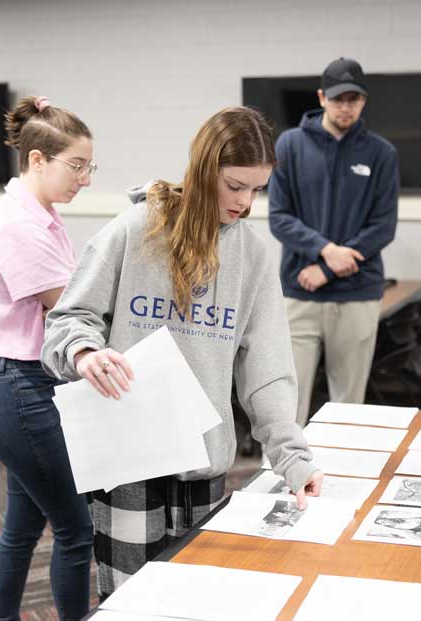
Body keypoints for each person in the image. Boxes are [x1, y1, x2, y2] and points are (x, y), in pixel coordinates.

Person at [41, 107, 323, 598]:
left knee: (195, 601)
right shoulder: (134, 230)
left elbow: (269, 373)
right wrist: (85, 352)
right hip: (129, 464)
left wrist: (292, 459)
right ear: (203, 168)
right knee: (130, 601)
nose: (245, 202)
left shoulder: (251, 257)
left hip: (202, 468)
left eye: (257, 189)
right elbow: (67, 321)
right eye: (235, 185)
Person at [0, 95, 95, 621]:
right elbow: (67, 305)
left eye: (91, 168)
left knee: (22, 528)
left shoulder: (40, 214)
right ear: (38, 160)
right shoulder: (17, 224)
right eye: (76, 166)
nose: (84, 179)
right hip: (18, 391)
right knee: (75, 530)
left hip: (22, 387)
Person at [267, 57, 399, 427]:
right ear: (323, 97)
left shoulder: (381, 153)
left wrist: (327, 268)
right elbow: (279, 217)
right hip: (299, 292)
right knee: (286, 401)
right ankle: (279, 479)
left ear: (363, 101)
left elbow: (383, 226)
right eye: (339, 98)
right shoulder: (290, 145)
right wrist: (325, 251)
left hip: (357, 295)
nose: (346, 107)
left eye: (354, 99)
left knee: (348, 408)